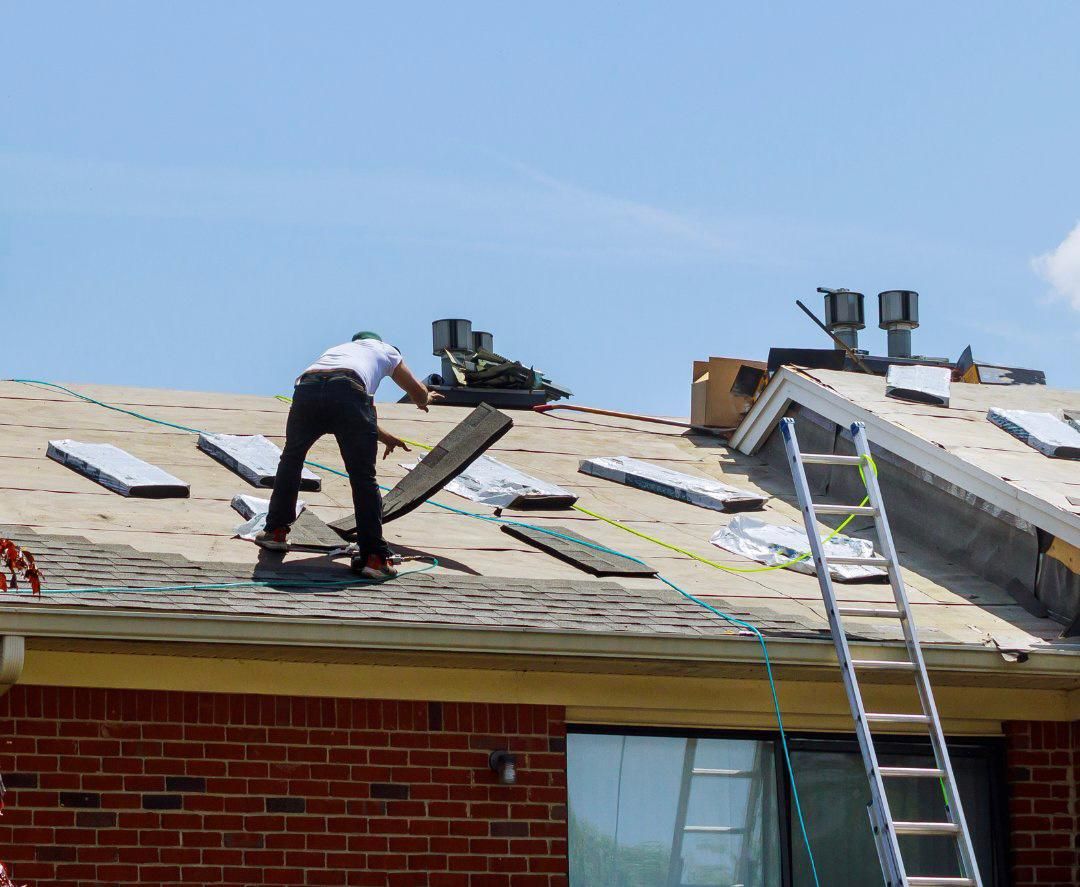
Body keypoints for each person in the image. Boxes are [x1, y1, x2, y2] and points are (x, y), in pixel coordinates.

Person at [256, 331, 441, 579]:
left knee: (291, 459)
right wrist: (424, 398)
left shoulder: (340, 352)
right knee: (363, 476)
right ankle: (374, 558)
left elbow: (346, 404)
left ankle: (276, 533)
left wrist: (384, 436)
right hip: (348, 392)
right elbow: (410, 392)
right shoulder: (387, 350)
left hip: (308, 388)